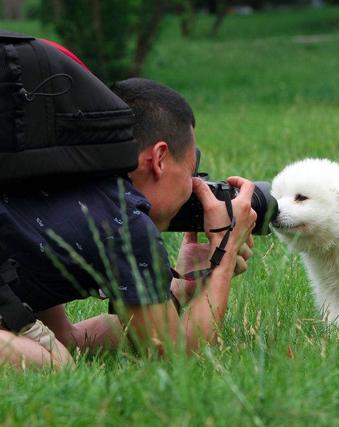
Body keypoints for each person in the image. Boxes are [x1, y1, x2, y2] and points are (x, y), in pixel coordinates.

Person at [0, 78, 257, 368]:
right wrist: (226, 247)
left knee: (55, 348)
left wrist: (179, 288)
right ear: (159, 158)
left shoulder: (63, 178)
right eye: (190, 175)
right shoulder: (125, 219)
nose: (194, 188)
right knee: (54, 363)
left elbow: (69, 338)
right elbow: (177, 357)